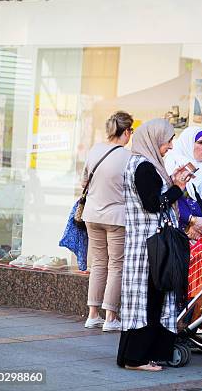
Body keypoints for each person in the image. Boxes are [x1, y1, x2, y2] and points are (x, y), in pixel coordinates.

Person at [117, 118, 193, 372]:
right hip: (150, 247)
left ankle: (137, 356)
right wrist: (177, 189)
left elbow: (149, 197)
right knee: (149, 300)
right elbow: (153, 204)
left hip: (147, 244)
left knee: (149, 299)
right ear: (154, 139)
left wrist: (171, 184)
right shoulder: (144, 167)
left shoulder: (142, 165)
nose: (170, 146)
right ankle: (136, 358)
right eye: (167, 140)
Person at [82, 111, 133, 332]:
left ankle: (92, 315)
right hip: (116, 217)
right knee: (116, 265)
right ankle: (111, 317)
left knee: (98, 264)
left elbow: (83, 180)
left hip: (92, 215)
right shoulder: (127, 157)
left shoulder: (95, 150)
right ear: (126, 132)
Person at [164, 126, 202, 255]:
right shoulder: (174, 167)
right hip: (179, 233)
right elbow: (172, 199)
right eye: (200, 142)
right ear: (188, 144)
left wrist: (200, 225)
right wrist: (192, 220)